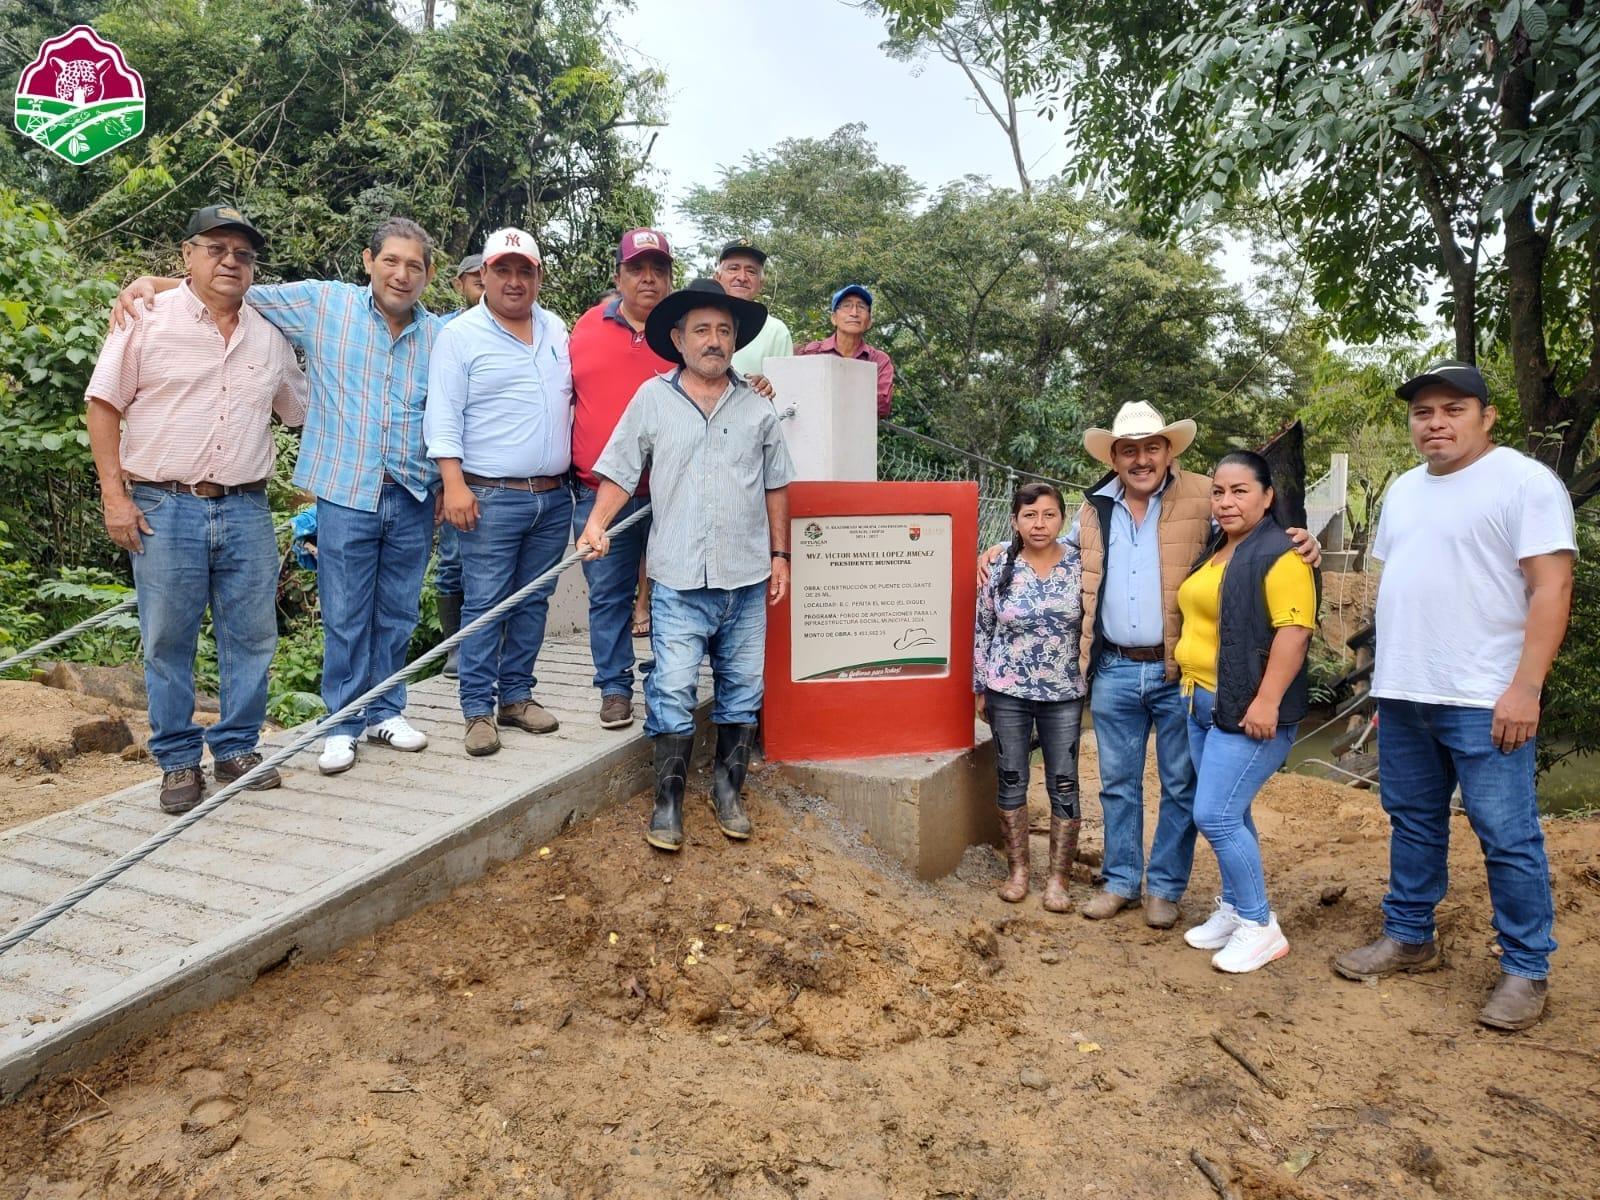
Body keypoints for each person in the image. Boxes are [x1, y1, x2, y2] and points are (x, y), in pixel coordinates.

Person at [114, 217, 448, 776]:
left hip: (413, 491)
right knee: (345, 613)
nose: (401, 274)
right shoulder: (323, 304)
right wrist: (153, 283)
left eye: (414, 265)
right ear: (369, 262)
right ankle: (342, 723)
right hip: (345, 489)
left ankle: (386, 709)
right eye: (391, 260)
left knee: (398, 611)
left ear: (429, 275)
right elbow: (232, 286)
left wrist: (445, 482)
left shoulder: (440, 336)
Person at [976, 402, 1321, 928]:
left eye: (1151, 448)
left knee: (1180, 784)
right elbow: (1051, 546)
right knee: (1117, 783)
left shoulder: (1205, 496)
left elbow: (1251, 527)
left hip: (1177, 670)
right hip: (1113, 666)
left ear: (1168, 451)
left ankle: (1164, 887)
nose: (1141, 460)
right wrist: (1000, 548)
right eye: (1129, 451)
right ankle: (1120, 881)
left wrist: (1300, 539)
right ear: (1114, 458)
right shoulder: (1094, 508)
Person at [1333, 360, 1575, 1031]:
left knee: (1507, 835)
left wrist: (1526, 688)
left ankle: (1525, 967)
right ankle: (1410, 935)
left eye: (1452, 410)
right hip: (1407, 691)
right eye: (1423, 413)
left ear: (1486, 416)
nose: (1435, 423)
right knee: (1413, 819)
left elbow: (1552, 588)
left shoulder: (1525, 483)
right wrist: (1385, 682)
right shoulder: (1405, 490)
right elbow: (1406, 585)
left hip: (1485, 696)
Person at [86, 204, 308, 814]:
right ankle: (178, 761)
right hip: (164, 504)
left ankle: (236, 747)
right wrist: (114, 496)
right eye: (216, 249)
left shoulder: (269, 334)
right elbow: (103, 405)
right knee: (167, 638)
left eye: (243, 253)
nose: (230, 261)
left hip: (246, 507)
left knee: (252, 634)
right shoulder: (145, 317)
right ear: (187, 255)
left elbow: (302, 411)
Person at [576, 279, 795, 852]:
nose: (713, 340)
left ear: (735, 340)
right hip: (677, 578)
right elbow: (621, 469)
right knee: (672, 687)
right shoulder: (652, 399)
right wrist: (597, 523)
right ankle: (668, 801)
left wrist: (780, 555)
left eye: (723, 330)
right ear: (678, 339)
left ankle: (728, 791)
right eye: (701, 330)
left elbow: (776, 486)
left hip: (747, 579)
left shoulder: (758, 408)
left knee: (742, 689)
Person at [425, 228, 573, 755]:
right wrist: (453, 484)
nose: (514, 281)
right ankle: (476, 710)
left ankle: (516, 697)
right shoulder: (459, 336)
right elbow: (443, 414)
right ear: (482, 275)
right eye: (503, 270)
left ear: (538, 276)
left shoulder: (556, 329)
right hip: (490, 496)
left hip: (552, 497)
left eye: (524, 271)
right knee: (485, 603)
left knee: (533, 602)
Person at [1175, 451, 1315, 973]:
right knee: (1232, 811)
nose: (1226, 501)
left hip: (1246, 706)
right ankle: (1235, 909)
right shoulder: (1220, 547)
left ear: (1267, 496)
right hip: (1201, 700)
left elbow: (1294, 631)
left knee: (1214, 814)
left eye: (1240, 491)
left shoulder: (1281, 553)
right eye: (1218, 491)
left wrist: (1267, 700)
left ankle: (1260, 926)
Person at [567, 229, 676, 729]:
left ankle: (666, 680)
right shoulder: (586, 326)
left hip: (671, 495)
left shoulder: (682, 332)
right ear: (619, 276)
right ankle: (614, 687)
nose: (648, 278)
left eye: (658, 269)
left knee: (675, 593)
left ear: (670, 279)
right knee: (608, 594)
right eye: (637, 268)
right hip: (600, 495)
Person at [973, 482, 1087, 912]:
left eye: (1049, 514)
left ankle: (1058, 879)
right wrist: (979, 687)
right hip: (1007, 690)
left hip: (1064, 691)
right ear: (1015, 521)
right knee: (1011, 777)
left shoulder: (1080, 564)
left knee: (1064, 779)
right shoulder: (999, 564)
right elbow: (983, 628)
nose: (1040, 524)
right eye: (1030, 516)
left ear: (1062, 518)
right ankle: (1018, 871)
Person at [433, 252, 482, 679]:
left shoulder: (527, 328)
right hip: (453, 468)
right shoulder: (442, 331)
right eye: (475, 278)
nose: (483, 284)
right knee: (452, 559)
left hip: (498, 469)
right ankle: (455, 648)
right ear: (459, 284)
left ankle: (488, 645)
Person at [798, 284, 894, 418]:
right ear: (834, 318)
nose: (854, 313)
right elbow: (799, 395)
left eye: (861, 307)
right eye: (846, 306)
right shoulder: (813, 352)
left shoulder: (879, 360)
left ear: (869, 322)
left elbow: (882, 407)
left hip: (859, 429)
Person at [715, 240, 793, 376]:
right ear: (717, 277)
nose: (742, 277)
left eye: (751, 271)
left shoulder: (776, 332)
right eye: (733, 268)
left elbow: (784, 383)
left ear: (761, 283)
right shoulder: (698, 322)